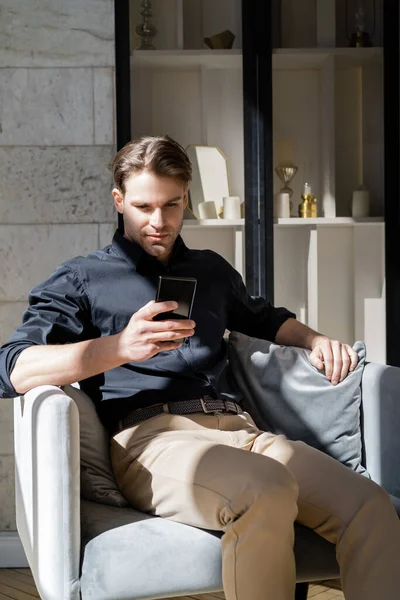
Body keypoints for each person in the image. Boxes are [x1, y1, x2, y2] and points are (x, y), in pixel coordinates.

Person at [0, 135, 399, 600]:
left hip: (242, 433)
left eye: (171, 205)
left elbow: (264, 319)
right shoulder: (82, 278)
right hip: (150, 440)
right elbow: (13, 367)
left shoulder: (212, 270)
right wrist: (120, 347)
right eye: (144, 206)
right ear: (119, 201)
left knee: (370, 506)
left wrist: (316, 340)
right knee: (265, 488)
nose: (158, 221)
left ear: (186, 197)